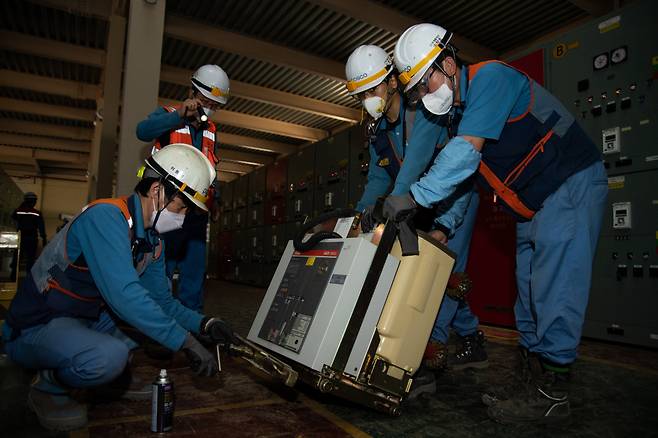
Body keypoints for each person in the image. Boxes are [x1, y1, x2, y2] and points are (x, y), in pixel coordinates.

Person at [387, 23, 607, 423]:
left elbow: (465, 156)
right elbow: (466, 183)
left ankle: (554, 393)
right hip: (534, 201)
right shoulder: (460, 116)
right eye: (415, 90)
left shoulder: (490, 78)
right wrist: (444, 227)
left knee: (555, 289)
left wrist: (413, 199)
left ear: (450, 65)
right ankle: (531, 381)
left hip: (569, 182)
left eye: (424, 83)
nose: (421, 96)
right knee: (528, 291)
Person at [2, 144, 235, 431]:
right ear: (157, 191)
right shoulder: (106, 217)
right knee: (110, 355)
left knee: (149, 327)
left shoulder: (152, 242)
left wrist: (205, 324)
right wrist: (184, 342)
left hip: (80, 320)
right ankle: (48, 387)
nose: (183, 216)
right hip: (36, 325)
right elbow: (125, 296)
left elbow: (163, 303)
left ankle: (102, 376)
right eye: (181, 205)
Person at [345, 45, 486, 374]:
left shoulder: (424, 112)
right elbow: (378, 179)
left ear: (392, 82)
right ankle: (470, 336)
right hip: (412, 206)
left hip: (454, 201)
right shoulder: (378, 132)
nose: (368, 99)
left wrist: (443, 225)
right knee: (441, 279)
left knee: (436, 275)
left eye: (373, 89)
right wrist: (359, 215)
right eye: (361, 94)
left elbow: (411, 173)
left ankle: (422, 361)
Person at [136, 64, 229, 312]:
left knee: (194, 273)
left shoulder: (210, 130)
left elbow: (210, 166)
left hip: (196, 214)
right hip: (167, 210)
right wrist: (178, 115)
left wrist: (216, 199)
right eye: (205, 100)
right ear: (193, 92)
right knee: (161, 269)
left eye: (215, 105)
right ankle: (157, 327)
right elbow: (142, 131)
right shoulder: (169, 115)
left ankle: (192, 327)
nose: (210, 107)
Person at [11, 191, 47, 277]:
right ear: (34, 201)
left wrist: (21, 206)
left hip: (20, 237)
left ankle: (13, 274)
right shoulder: (37, 213)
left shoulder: (18, 211)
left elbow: (12, 218)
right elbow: (41, 226)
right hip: (32, 238)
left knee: (17, 256)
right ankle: (28, 276)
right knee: (30, 258)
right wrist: (44, 238)